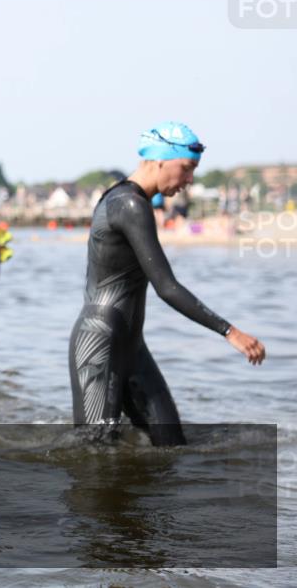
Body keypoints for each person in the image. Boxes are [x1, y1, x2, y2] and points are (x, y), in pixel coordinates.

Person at [68, 122, 266, 446]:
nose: (189, 181)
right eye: (186, 169)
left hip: (132, 346)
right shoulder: (129, 204)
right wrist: (230, 331)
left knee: (172, 446)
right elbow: (166, 286)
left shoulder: (132, 201)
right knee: (95, 456)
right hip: (99, 344)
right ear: (160, 160)